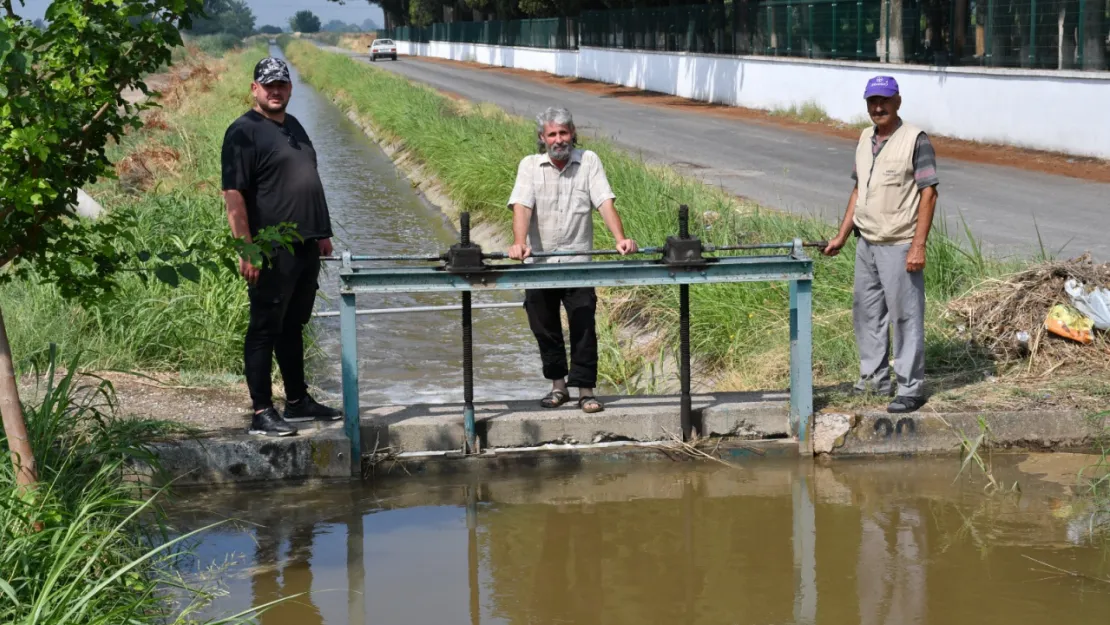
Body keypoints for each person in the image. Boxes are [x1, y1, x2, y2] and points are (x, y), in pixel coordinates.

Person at [221, 57, 342, 436]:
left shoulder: (294, 126)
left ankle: (297, 402)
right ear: (254, 88)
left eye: (282, 85)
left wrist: (321, 232)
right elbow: (234, 195)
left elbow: (306, 177)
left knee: (294, 325)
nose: (275, 91)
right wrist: (247, 249)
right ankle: (261, 412)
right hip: (272, 248)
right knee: (264, 327)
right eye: (268, 84)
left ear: (290, 89)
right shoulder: (243, 132)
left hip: (305, 246)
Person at [507, 107, 637, 414]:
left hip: (578, 262)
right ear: (542, 138)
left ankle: (586, 391)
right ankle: (558, 387)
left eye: (563, 133)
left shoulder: (588, 161)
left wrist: (620, 237)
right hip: (539, 267)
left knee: (583, 325)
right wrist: (519, 243)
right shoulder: (529, 166)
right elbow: (522, 207)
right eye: (552, 134)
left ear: (573, 133)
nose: (558, 139)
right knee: (543, 326)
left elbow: (604, 201)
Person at [822, 76, 939, 414]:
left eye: (884, 101)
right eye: (872, 101)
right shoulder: (864, 139)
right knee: (867, 314)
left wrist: (919, 246)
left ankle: (910, 388)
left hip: (900, 244)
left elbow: (929, 193)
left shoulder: (915, 140)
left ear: (898, 102)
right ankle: (873, 379)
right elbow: (859, 190)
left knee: (905, 317)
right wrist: (842, 236)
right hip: (867, 244)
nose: (878, 107)